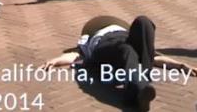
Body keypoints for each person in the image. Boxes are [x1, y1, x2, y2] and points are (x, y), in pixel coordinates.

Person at [40, 16, 197, 111]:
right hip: (104, 47)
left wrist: (182, 66)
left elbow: (153, 57)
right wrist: (56, 60)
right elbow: (76, 54)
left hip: (127, 47)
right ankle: (138, 86)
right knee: (126, 50)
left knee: (144, 22)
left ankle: (138, 86)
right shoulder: (90, 35)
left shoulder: (129, 34)